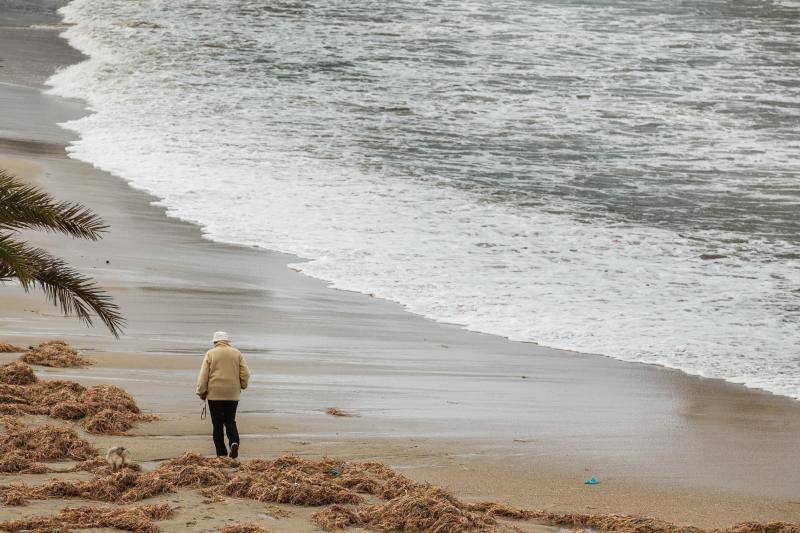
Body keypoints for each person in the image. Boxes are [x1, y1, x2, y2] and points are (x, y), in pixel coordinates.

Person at [196, 331, 250, 458]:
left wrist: (201, 391)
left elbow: (204, 375)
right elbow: (246, 373)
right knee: (230, 421)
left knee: (217, 424)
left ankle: (221, 453)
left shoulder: (210, 353)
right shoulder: (237, 353)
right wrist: (242, 385)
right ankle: (234, 442)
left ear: (215, 342)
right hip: (232, 393)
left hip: (215, 393)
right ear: (227, 341)